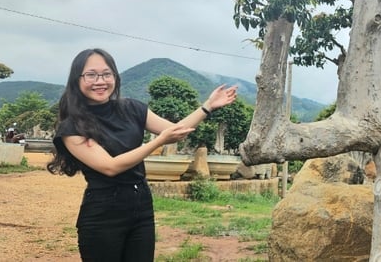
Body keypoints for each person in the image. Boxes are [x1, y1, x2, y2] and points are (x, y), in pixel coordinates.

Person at [47, 48, 238, 262]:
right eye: (91, 75)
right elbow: (110, 167)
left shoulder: (131, 108)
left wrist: (207, 107)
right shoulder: (73, 126)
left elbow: (174, 132)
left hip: (141, 206)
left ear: (115, 77)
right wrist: (157, 142)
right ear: (77, 80)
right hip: (103, 213)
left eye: (106, 74)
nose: (100, 81)